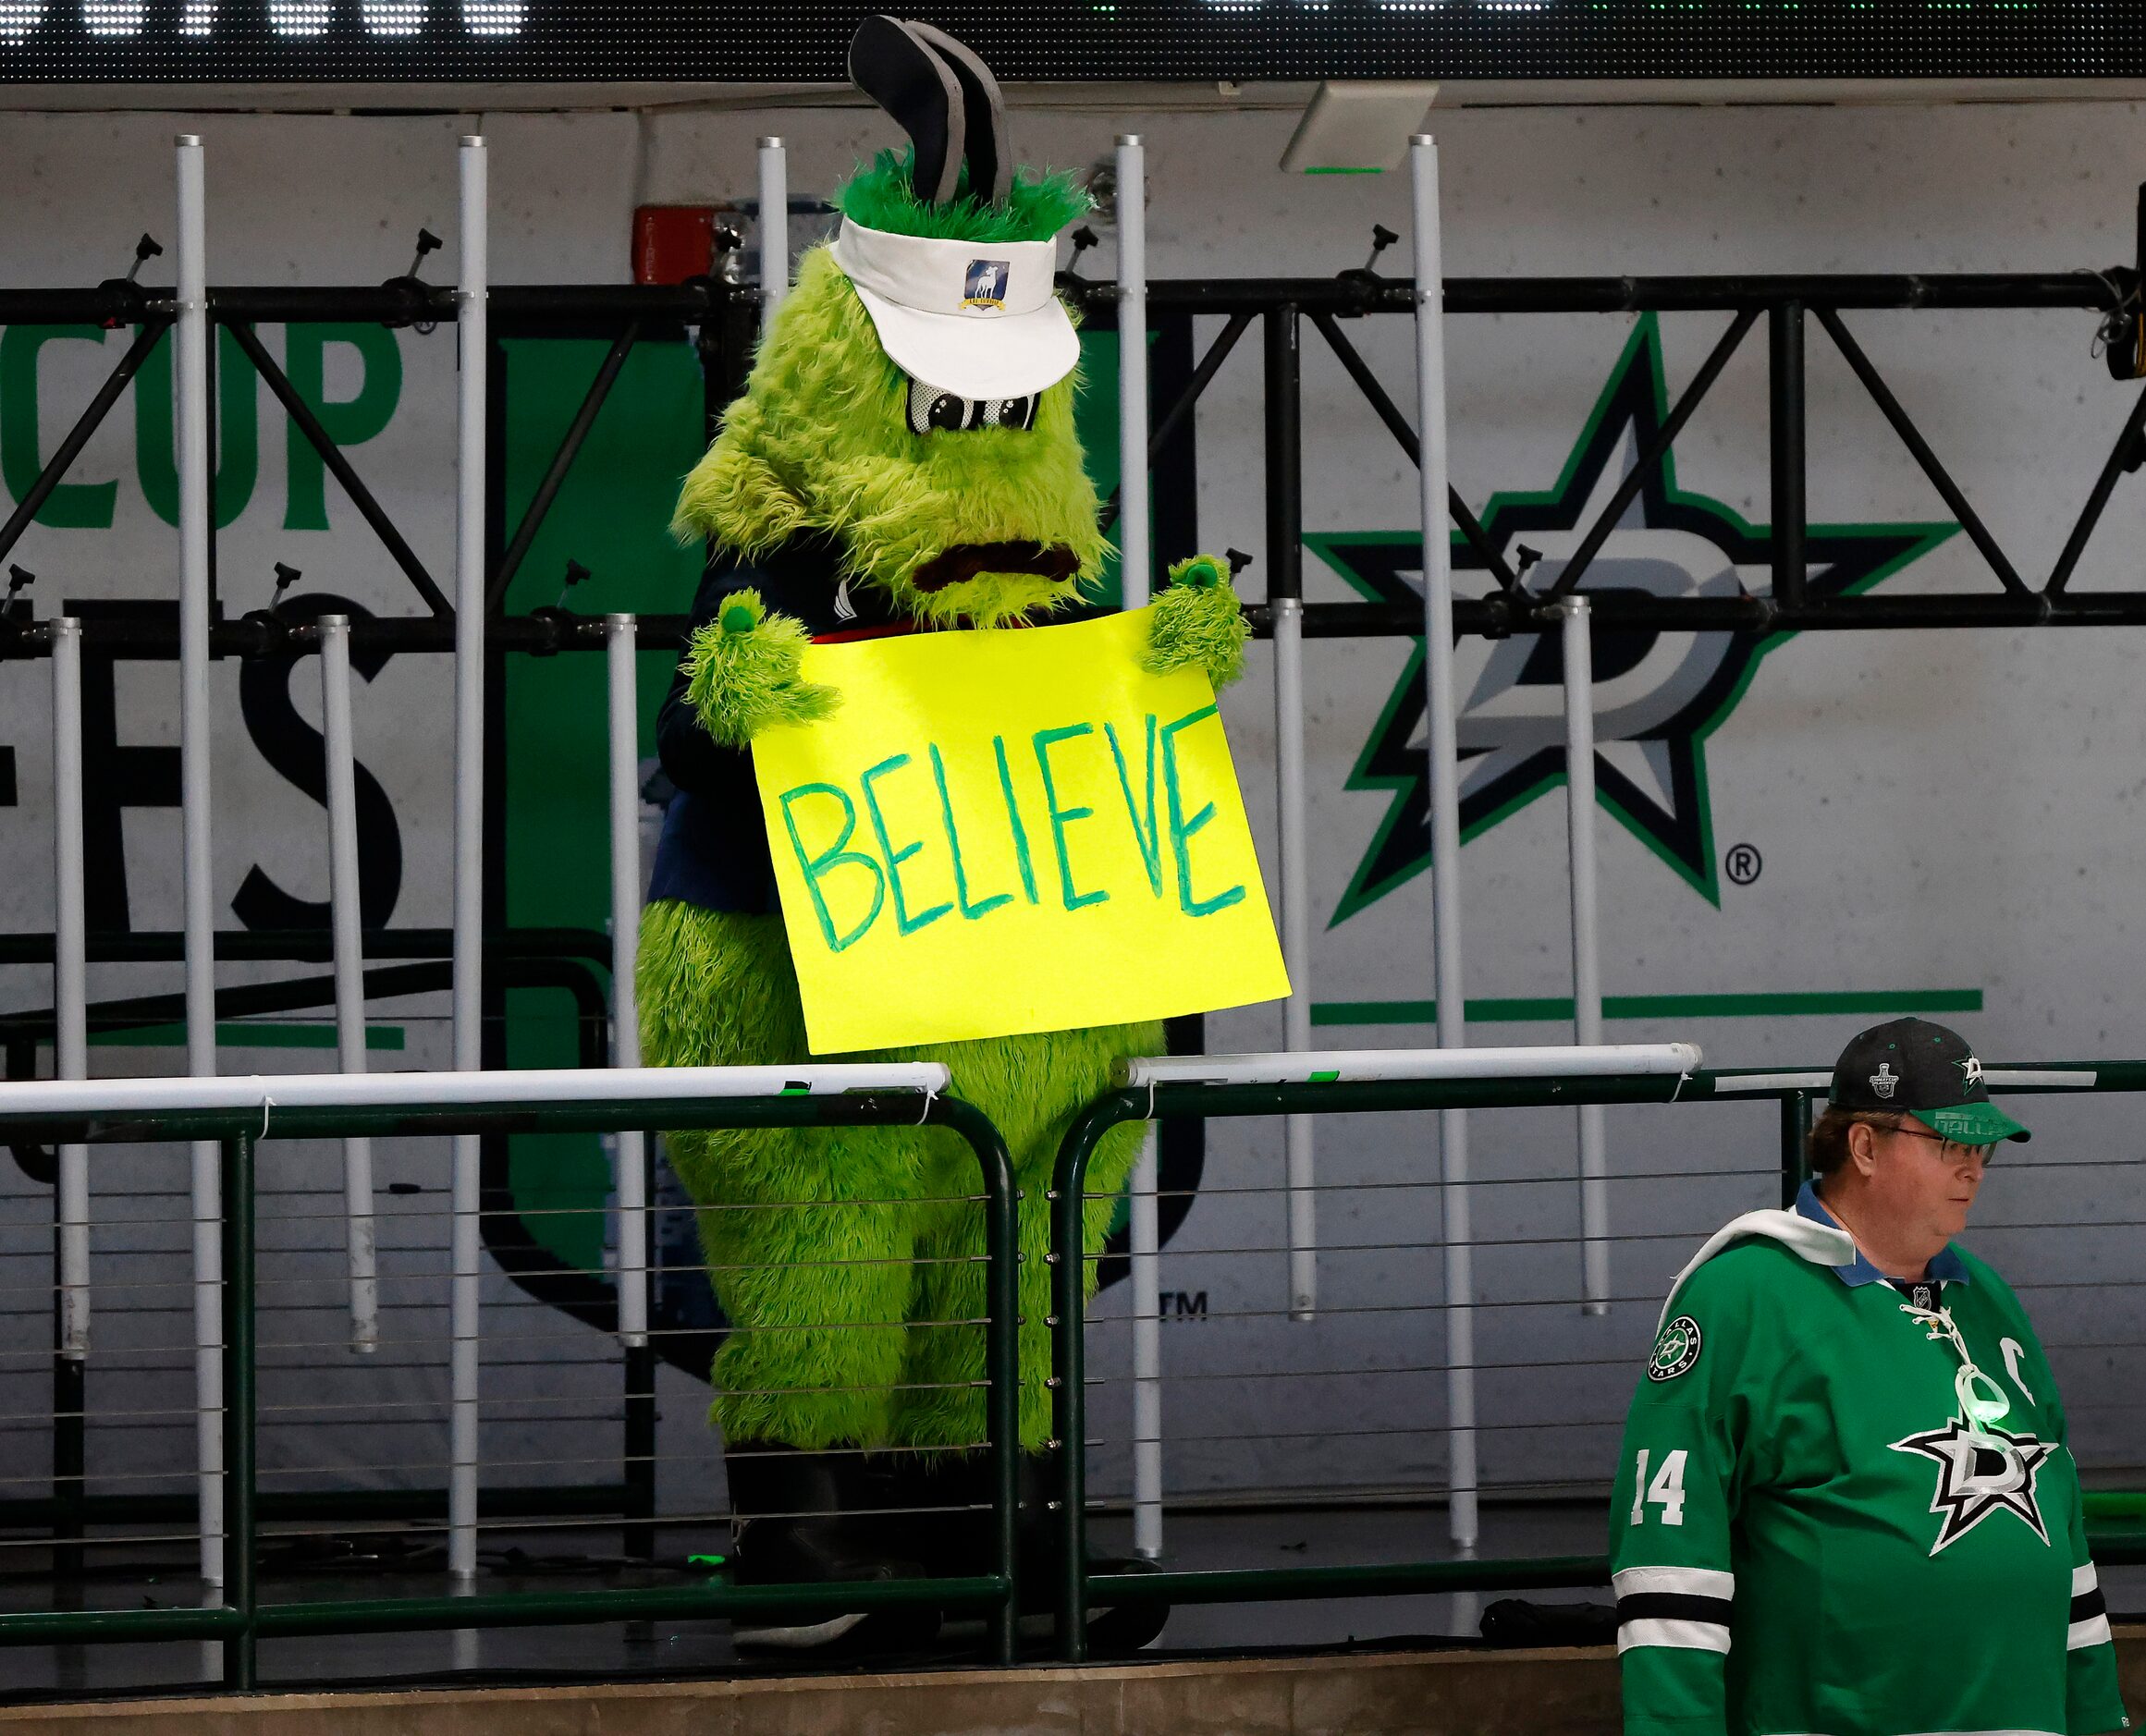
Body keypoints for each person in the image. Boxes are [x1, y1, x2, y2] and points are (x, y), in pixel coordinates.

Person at [1612, 1018, 2127, 1736]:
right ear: (1863, 1146)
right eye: (1949, 1142)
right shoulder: (1743, 1298)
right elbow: (1668, 1563)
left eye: (1981, 1147)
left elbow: (2064, 1542)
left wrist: (2099, 1720)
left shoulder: (1988, 1299)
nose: (1973, 1166)